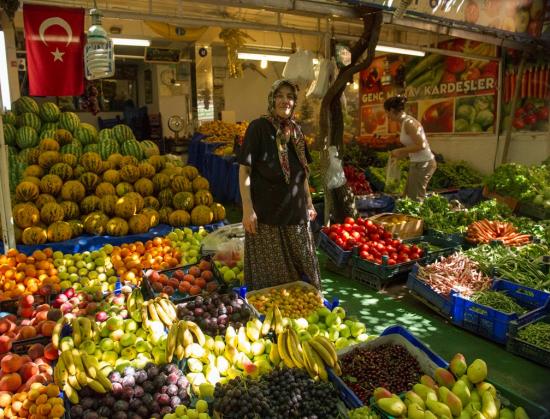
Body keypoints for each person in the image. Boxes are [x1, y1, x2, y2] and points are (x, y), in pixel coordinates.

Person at [237, 79, 321, 291]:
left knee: (306, 270)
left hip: (296, 213)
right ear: (272, 99)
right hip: (267, 216)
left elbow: (302, 173)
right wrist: (247, 208)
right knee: (272, 280)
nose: (285, 100)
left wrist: (309, 203)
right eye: (280, 95)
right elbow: (244, 169)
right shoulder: (258, 128)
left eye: (290, 96)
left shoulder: (296, 132)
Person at [384, 95, 436, 201]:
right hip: (417, 163)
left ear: (392, 110)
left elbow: (421, 145)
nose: (387, 116)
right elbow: (413, 146)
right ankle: (409, 217)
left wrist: (400, 150)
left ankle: (419, 217)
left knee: (415, 199)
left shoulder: (409, 123)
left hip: (423, 164)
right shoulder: (404, 123)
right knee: (407, 196)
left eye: (387, 112)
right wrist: (401, 155)